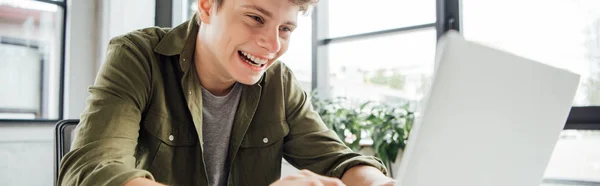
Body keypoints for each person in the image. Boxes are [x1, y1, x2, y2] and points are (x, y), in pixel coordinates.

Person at [58, 0, 396, 185]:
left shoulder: (279, 82)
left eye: (286, 29)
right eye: (254, 17)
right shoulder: (138, 56)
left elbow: (338, 159)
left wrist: (377, 184)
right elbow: (94, 171)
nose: (273, 44)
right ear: (206, 6)